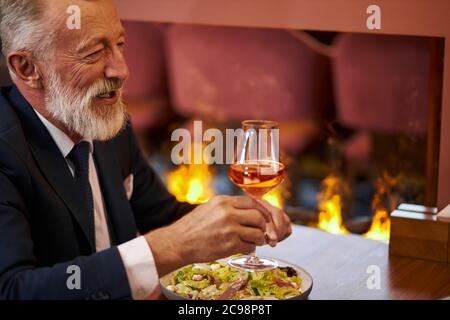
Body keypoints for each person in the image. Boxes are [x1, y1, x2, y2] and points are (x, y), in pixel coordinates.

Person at [0, 0, 291, 299]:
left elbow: (163, 216)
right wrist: (165, 248)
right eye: (93, 53)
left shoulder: (105, 122)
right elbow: (13, 290)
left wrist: (235, 219)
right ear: (27, 67)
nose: (122, 70)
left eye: (120, 44)